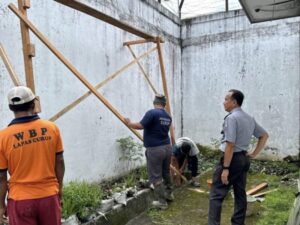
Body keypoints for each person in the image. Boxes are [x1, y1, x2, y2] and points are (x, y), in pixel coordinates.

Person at [0, 86, 65, 225]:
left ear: (11, 108)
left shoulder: (3, 137)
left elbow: (1, 176)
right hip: (48, 195)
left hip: (20, 199)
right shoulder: (51, 128)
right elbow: (59, 161)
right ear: (34, 103)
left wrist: (1, 205)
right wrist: (60, 188)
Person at [208, 89, 269, 225]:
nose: (223, 102)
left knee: (216, 195)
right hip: (243, 159)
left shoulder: (231, 118)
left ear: (234, 102)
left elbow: (230, 145)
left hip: (231, 159)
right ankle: (238, 222)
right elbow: (264, 135)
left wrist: (225, 168)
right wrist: (253, 153)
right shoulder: (249, 118)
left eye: (226, 99)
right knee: (240, 193)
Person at [125, 94, 173, 209]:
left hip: (155, 150)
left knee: (156, 176)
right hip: (167, 147)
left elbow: (140, 126)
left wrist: (129, 123)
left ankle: (162, 202)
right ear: (164, 104)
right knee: (165, 172)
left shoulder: (152, 113)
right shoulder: (168, 116)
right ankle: (169, 194)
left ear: (154, 102)